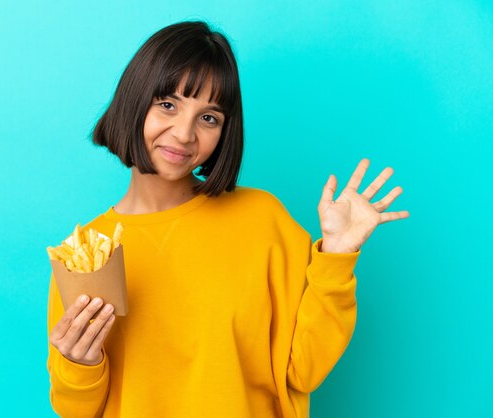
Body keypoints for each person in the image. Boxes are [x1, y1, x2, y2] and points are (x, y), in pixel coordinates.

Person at [46, 21, 409, 418]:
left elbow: (303, 370)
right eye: (168, 105)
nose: (184, 134)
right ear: (135, 102)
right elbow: (77, 410)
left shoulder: (261, 219)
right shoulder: (88, 252)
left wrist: (337, 258)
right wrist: (79, 365)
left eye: (209, 118)